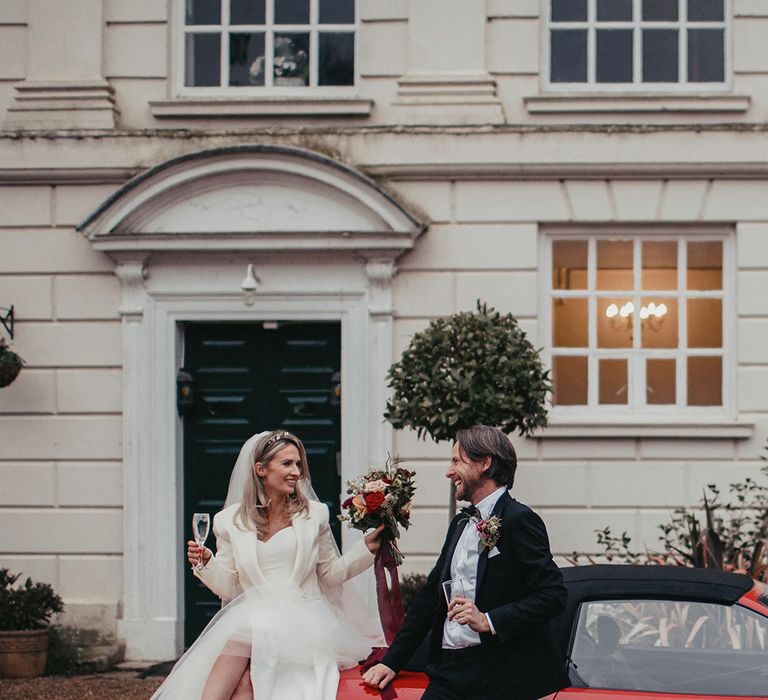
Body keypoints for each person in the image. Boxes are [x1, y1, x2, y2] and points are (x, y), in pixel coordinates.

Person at [153, 430, 385, 700]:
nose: (296, 471)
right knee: (243, 683)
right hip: (255, 617)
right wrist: (206, 563)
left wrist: (365, 549)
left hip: (304, 620)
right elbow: (228, 586)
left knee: (246, 648)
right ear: (261, 469)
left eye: (298, 464)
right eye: (287, 463)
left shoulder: (314, 514)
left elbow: (329, 574)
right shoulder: (229, 521)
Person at [363, 424, 570, 700]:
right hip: (448, 671)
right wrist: (392, 661)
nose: (449, 472)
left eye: (457, 461)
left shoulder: (520, 520)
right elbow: (429, 597)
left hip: (497, 674)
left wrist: (488, 620)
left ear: (485, 463)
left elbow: (553, 595)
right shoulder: (461, 523)